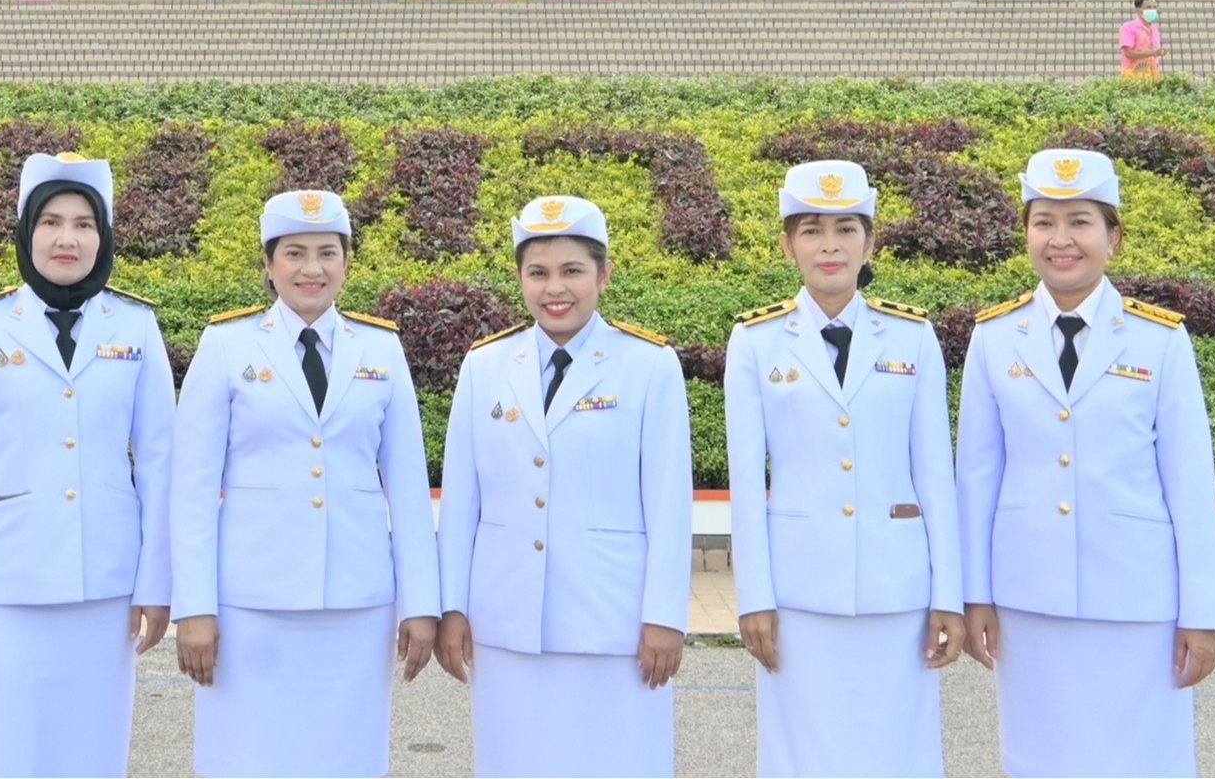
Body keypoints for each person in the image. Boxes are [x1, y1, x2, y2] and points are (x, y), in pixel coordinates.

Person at [956, 149, 1215, 778]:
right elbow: (977, 476)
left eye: (1079, 221)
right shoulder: (996, 337)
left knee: (1141, 757)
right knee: (1039, 755)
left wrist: (1203, 613)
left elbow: (1189, 479)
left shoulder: (1159, 339)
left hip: (1137, 598)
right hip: (1028, 596)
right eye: (1043, 221)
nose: (1060, 240)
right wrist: (975, 597)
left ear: (1113, 235)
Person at [171, 190, 438, 778]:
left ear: (347, 260)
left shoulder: (382, 348)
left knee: (346, 756)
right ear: (268, 264)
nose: (311, 269)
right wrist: (194, 607)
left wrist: (421, 603)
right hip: (250, 604)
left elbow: (409, 487)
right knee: (247, 757)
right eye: (294, 253)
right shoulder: (226, 345)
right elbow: (189, 489)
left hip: (357, 602)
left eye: (327, 252)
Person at [0, 152, 175, 777]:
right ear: (26, 231)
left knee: (92, 751)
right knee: (0, 750)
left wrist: (155, 583)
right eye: (52, 221)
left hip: (108, 583)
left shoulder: (137, 326)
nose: (68, 238)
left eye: (85, 223)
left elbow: (159, 463)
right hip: (5, 585)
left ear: (105, 235)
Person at [436, 195, 693, 778]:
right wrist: (452, 605)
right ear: (520, 279)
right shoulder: (484, 365)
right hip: (506, 620)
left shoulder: (648, 365)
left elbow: (669, 502)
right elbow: (462, 501)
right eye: (539, 272)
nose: (557, 288)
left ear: (603, 274)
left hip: (614, 621)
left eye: (573, 270)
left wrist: (664, 616)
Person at [725, 161, 962, 778]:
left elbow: (936, 473)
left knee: (898, 750)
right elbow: (747, 482)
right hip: (799, 589)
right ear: (786, 243)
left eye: (845, 228)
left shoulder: (912, 336)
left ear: (870, 240)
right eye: (810, 229)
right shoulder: (756, 340)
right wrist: (754, 596)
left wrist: (949, 596)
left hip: (898, 588)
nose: (829, 245)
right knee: (801, 752)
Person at [1120, 0, 1165, 78]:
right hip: (1133, 75)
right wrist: (1153, 52)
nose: (1152, 10)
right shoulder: (1128, 27)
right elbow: (1129, 53)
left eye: (1154, 7)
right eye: (1148, 7)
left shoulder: (1154, 29)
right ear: (1138, 10)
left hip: (1154, 75)